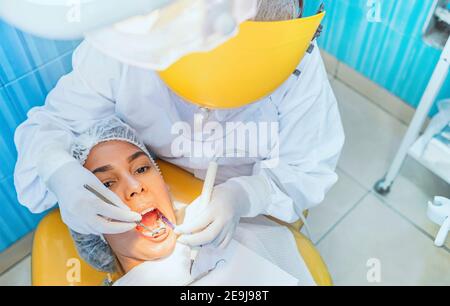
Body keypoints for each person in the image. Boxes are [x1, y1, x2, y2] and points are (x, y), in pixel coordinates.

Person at [14, 0, 345, 248]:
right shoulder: (130, 40)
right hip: (165, 178)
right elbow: (52, 126)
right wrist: (57, 170)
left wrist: (246, 194)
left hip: (249, 209)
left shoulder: (296, 65)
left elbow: (309, 167)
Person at [69, 117, 315, 286]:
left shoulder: (236, 238)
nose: (135, 187)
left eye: (142, 168)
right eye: (107, 184)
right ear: (90, 223)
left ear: (164, 185)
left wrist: (245, 195)